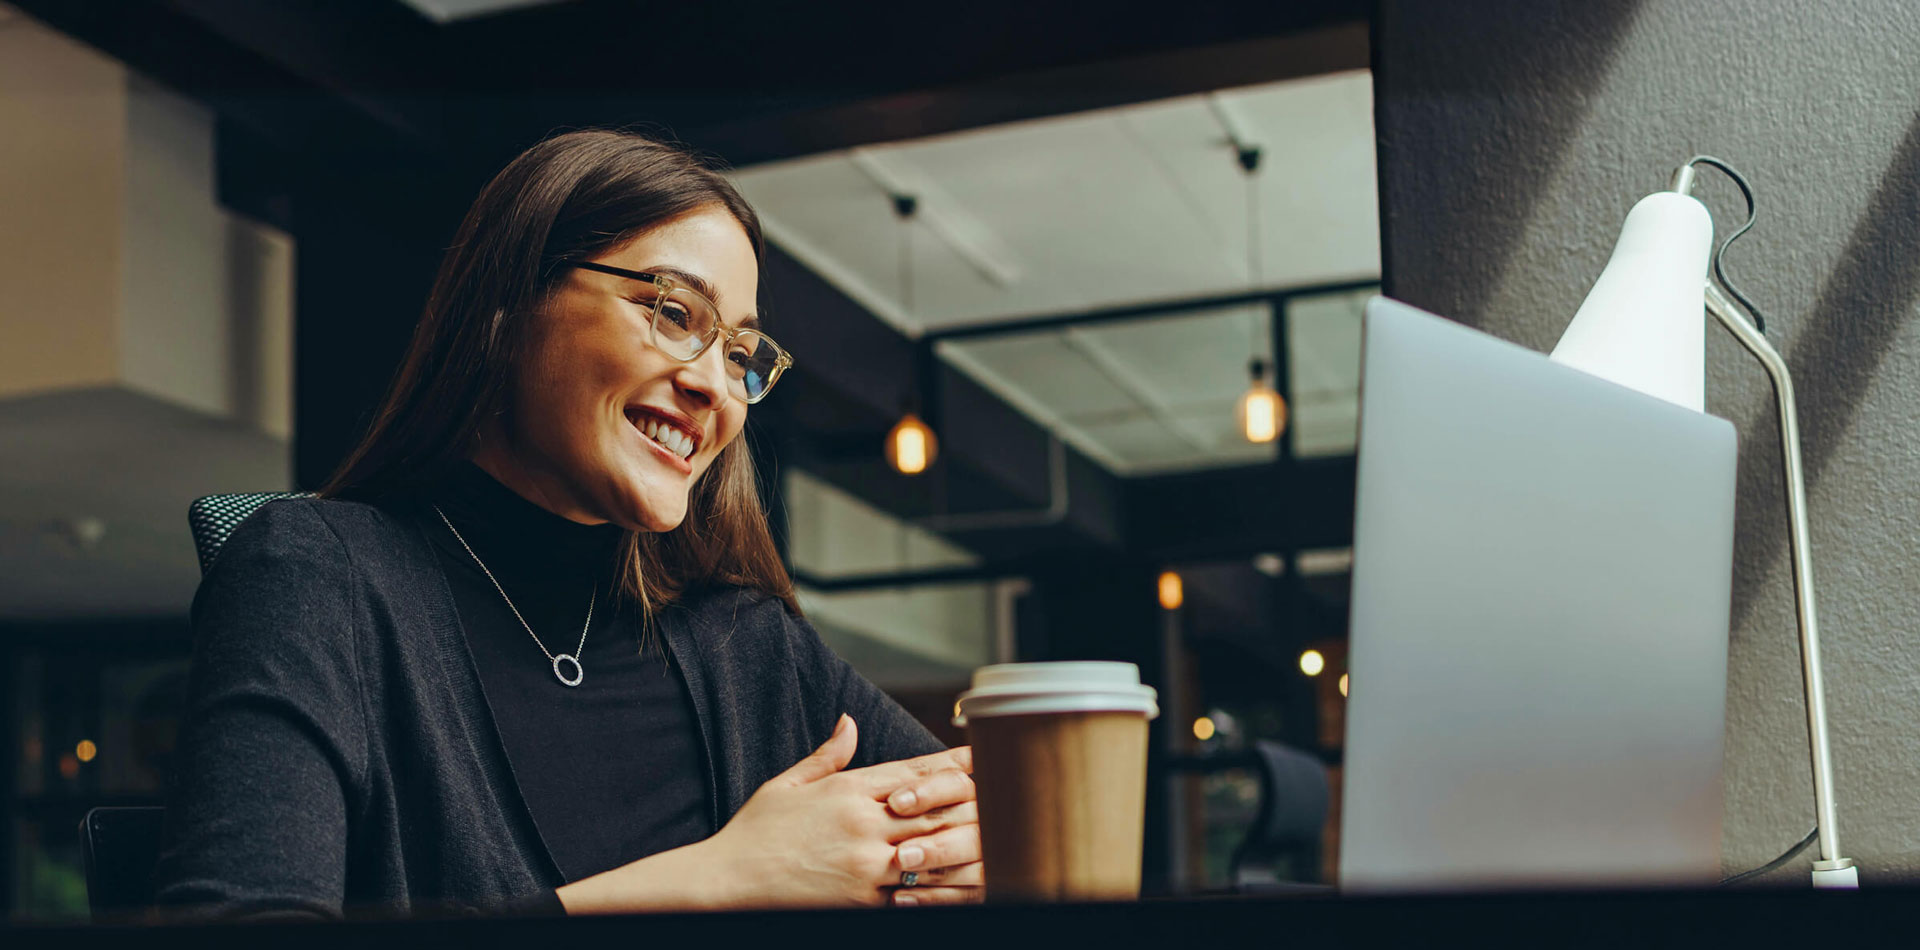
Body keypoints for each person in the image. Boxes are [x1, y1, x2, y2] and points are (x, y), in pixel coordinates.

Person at [155, 130, 982, 920]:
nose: (717, 388)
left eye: (739, 353)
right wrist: (718, 882)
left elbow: (984, 823)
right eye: (674, 311)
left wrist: (976, 854)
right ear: (507, 309)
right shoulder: (313, 576)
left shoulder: (744, 643)